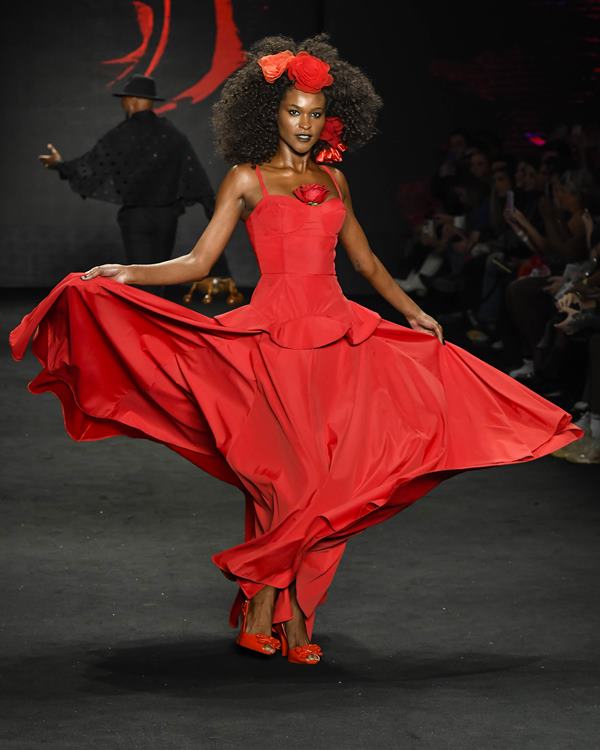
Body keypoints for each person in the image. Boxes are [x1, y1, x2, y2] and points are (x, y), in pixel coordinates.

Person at [11, 34, 583, 666]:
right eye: (293, 112)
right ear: (270, 115)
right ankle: (274, 614)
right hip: (274, 345)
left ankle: (286, 618)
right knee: (288, 482)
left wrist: (416, 312)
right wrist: (127, 273)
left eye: (315, 114)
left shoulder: (334, 179)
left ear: (326, 118)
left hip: (339, 340)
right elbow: (200, 260)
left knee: (332, 483)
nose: (305, 125)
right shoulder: (247, 179)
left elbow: (364, 261)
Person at [38, 74, 230, 290]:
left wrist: (58, 165)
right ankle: (156, 319)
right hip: (166, 218)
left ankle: (142, 322)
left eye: (124, 99)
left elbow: (90, 167)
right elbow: (197, 180)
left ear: (131, 100)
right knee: (161, 277)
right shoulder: (174, 136)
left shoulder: (121, 135)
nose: (123, 104)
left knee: (137, 278)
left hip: (136, 218)